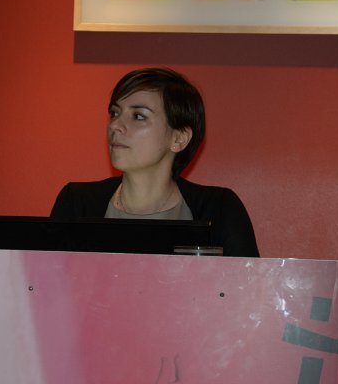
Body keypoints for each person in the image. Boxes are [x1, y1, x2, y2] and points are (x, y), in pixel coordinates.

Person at [51, 67, 259, 257]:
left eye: (138, 116)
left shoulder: (219, 210)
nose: (115, 125)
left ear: (179, 139)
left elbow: (247, 285)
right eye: (114, 113)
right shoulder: (77, 204)